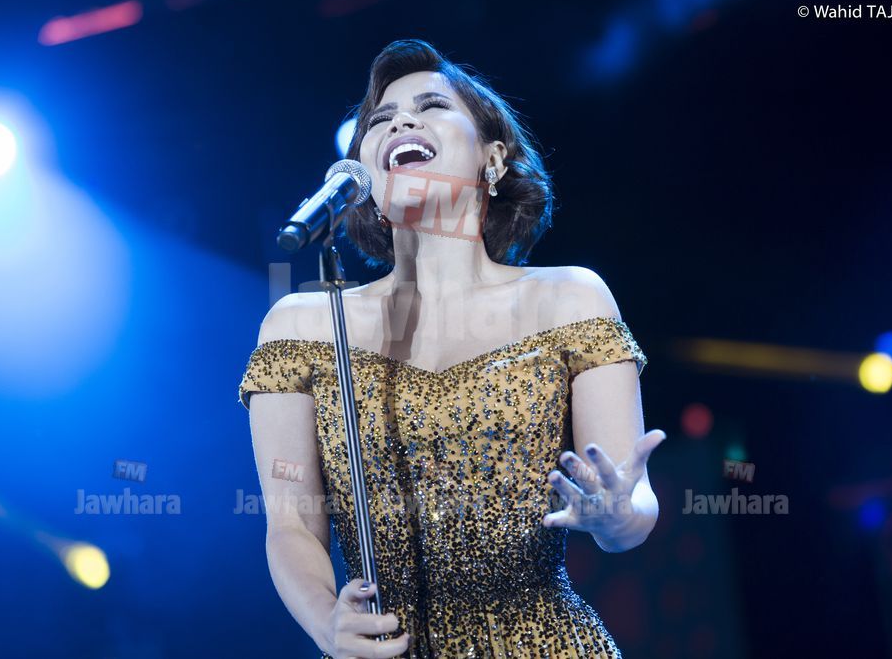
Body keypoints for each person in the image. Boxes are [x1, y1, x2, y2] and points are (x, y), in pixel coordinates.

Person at [239, 39, 665, 659]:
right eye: (380, 120)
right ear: (363, 178)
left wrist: (617, 514)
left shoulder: (570, 298)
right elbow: (291, 523)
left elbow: (631, 500)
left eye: (431, 107)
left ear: (493, 159)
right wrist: (327, 622)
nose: (399, 124)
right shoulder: (302, 326)